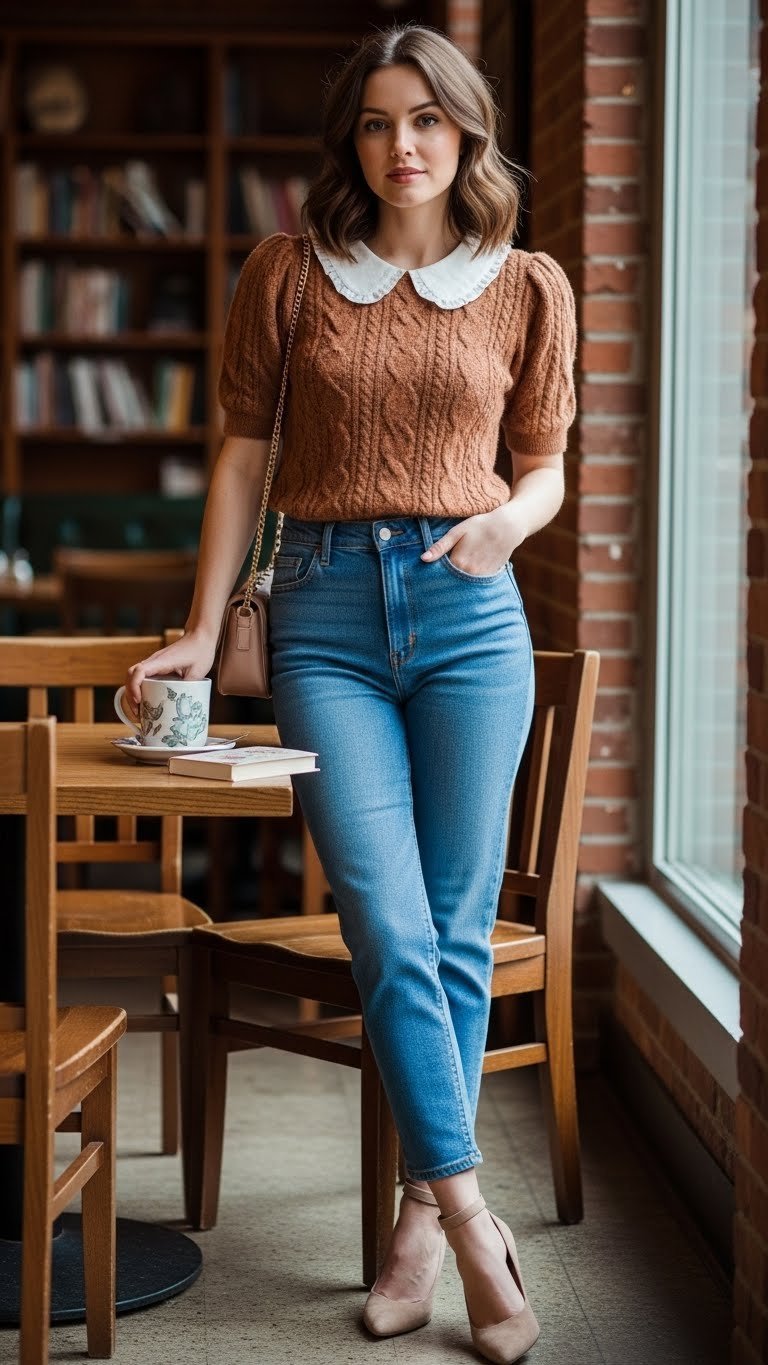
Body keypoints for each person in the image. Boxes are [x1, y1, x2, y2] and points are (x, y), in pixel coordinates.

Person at [125, 22, 575, 1364]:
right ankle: (477, 1222)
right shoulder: (289, 273)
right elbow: (243, 451)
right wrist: (206, 630)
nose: (403, 145)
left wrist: (509, 529)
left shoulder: (527, 285)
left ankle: (415, 1224)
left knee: (446, 922)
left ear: (470, 131)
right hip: (319, 610)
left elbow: (548, 461)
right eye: (378, 122)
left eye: (428, 119)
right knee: (384, 917)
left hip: (468, 612)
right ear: (353, 139)